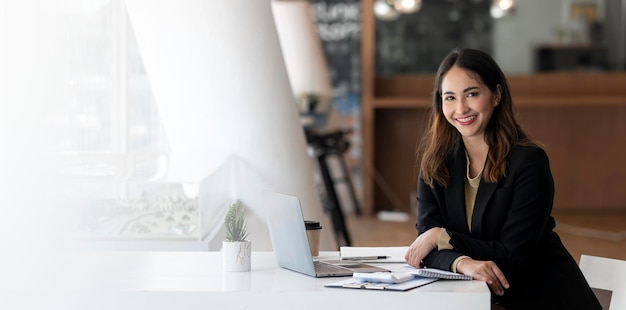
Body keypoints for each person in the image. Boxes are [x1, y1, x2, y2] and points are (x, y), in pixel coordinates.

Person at [404, 48, 601, 310]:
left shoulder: (529, 162)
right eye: (449, 97)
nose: (461, 108)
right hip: (480, 300)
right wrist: (462, 262)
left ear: (496, 95)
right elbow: (425, 247)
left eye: (471, 94)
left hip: (544, 299)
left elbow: (512, 258)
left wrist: (441, 236)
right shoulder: (435, 163)